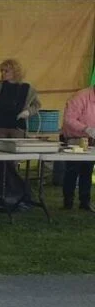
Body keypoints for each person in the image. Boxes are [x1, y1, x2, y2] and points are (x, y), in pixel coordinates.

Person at [0, 59, 40, 138]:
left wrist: (28, 112)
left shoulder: (28, 88)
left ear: (15, 72)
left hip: (18, 128)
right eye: (2, 71)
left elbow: (37, 105)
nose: (3, 73)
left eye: (6, 71)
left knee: (17, 145)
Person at [61, 83, 95, 212]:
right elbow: (68, 119)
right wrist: (86, 128)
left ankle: (85, 202)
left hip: (91, 140)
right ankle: (68, 201)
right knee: (72, 170)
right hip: (74, 138)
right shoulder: (80, 97)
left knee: (87, 170)